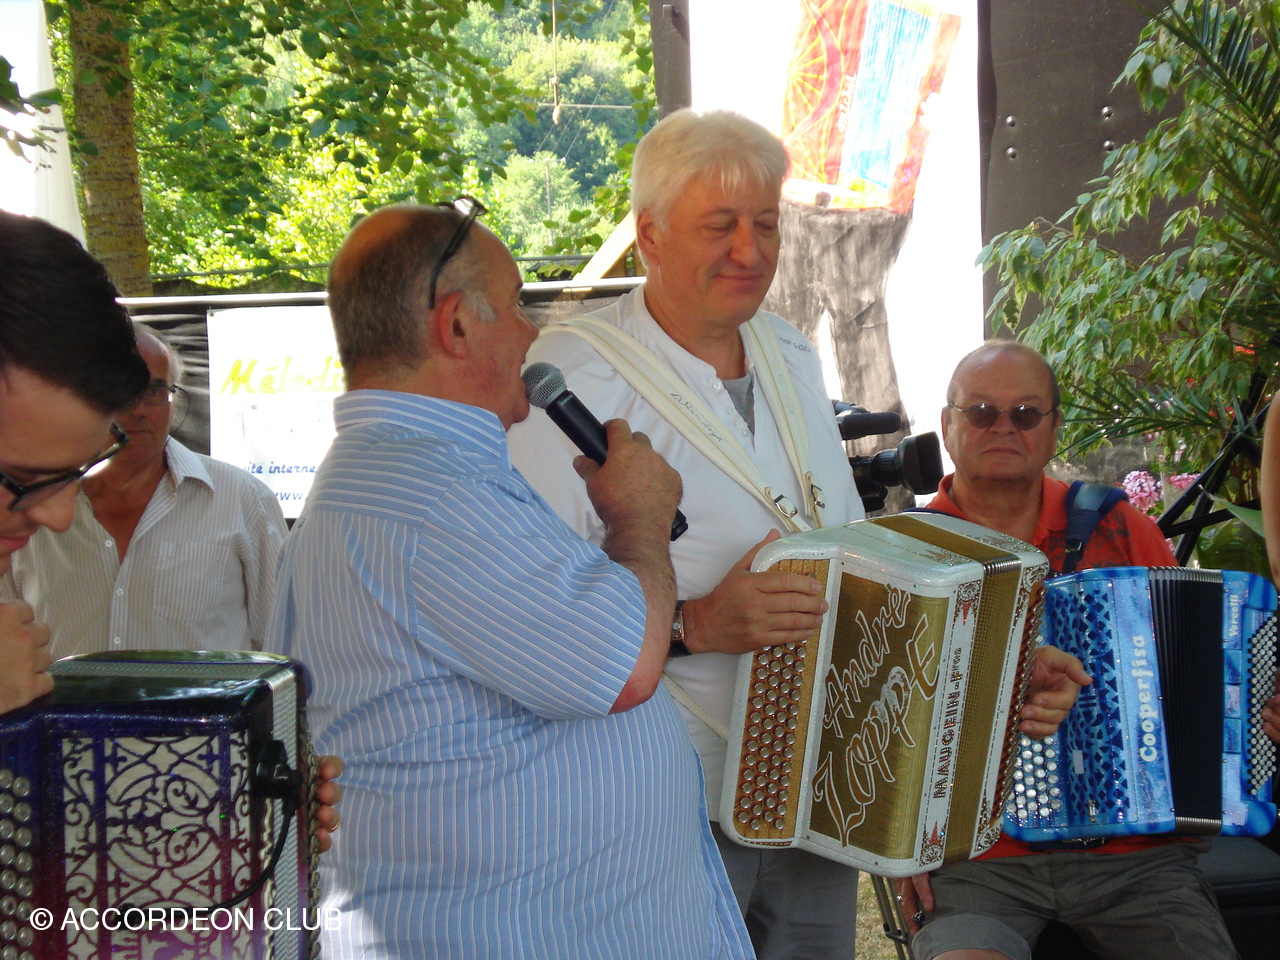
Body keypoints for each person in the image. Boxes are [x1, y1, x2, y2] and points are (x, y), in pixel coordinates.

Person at [508, 109, 1086, 959]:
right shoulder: (566, 380)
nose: (750, 250)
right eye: (720, 225)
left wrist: (988, 667)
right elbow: (531, 625)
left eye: (766, 224)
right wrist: (695, 625)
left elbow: (850, 561)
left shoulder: (787, 350)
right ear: (650, 234)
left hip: (814, 777)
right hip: (658, 794)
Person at [263, 200, 752, 959]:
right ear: (457, 324)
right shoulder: (427, 492)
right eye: (519, 304)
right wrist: (639, 521)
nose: (532, 333)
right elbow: (624, 665)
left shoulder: (410, 473)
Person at [0, 210, 341, 847]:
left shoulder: (239, 499)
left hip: (203, 815)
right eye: (25, 479)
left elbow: (286, 658)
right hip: (57, 808)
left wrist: (288, 774)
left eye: (155, 391)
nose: (55, 515)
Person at [899, 339, 1238, 960]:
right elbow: (872, 719)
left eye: (1026, 413)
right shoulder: (905, 549)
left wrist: (1254, 705)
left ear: (1054, 429)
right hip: (976, 858)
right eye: (982, 412)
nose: (1004, 427)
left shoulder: (1120, 527)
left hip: (1137, 856)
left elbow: (1199, 669)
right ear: (947, 426)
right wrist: (897, 845)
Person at [1, 322, 287, 659]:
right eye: (122, 389)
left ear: (173, 400)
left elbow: (283, 642)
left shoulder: (241, 498)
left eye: (153, 390)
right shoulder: (28, 507)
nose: (137, 409)